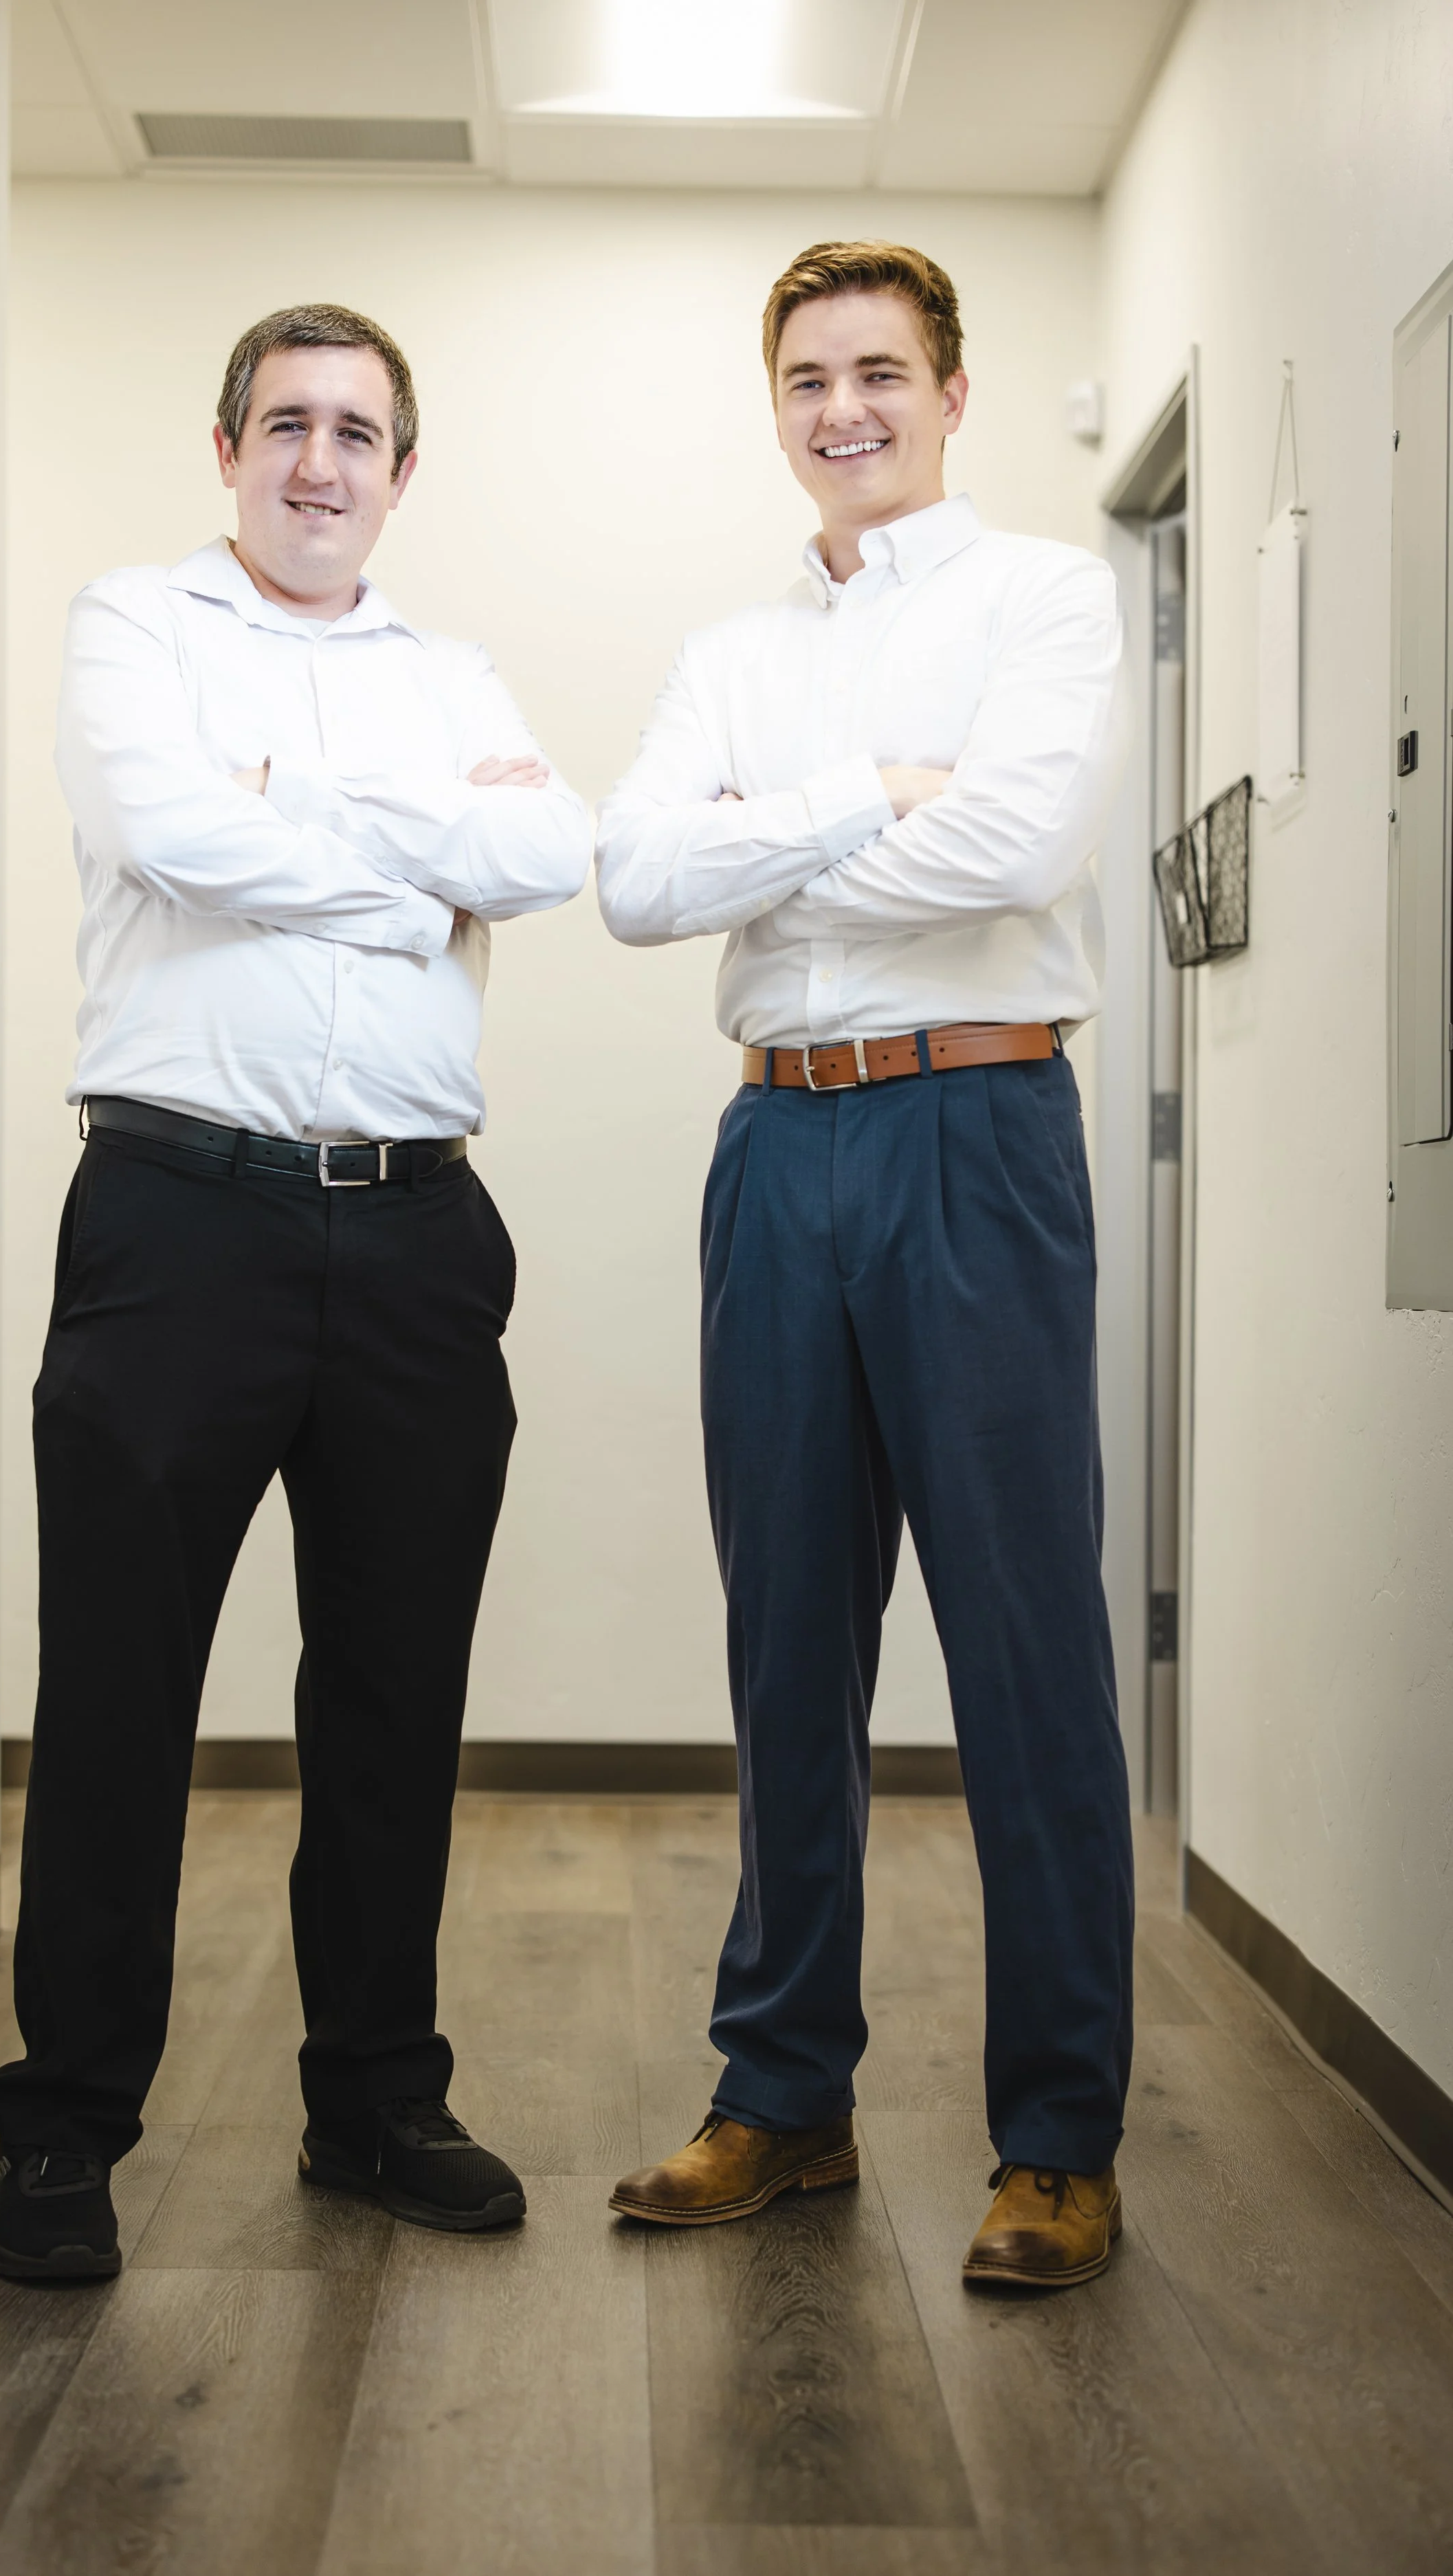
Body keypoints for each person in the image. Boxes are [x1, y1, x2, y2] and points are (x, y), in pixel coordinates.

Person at [0, 303, 587, 2280]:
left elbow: (546, 845)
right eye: (286, 426)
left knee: (397, 1692)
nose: (320, 462)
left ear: (400, 470)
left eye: (358, 432)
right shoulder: (133, 626)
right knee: (116, 1699)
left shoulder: (454, 666)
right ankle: (64, 2134)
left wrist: (297, 821)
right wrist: (417, 871)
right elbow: (165, 827)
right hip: (181, 1221)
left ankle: (375, 2097)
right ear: (227, 447)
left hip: (417, 1236)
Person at [596, 241, 1132, 2288]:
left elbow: (1015, 847)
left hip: (973, 1131)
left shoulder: (1041, 600)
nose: (845, 407)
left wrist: (774, 833)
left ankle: (1059, 2133)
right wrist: (861, 794)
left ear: (952, 389)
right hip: (777, 1139)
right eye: (809, 376)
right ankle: (780, 2095)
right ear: (779, 405)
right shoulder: (733, 647)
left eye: (881, 371)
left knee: (1019, 1646)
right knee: (785, 1642)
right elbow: (637, 877)